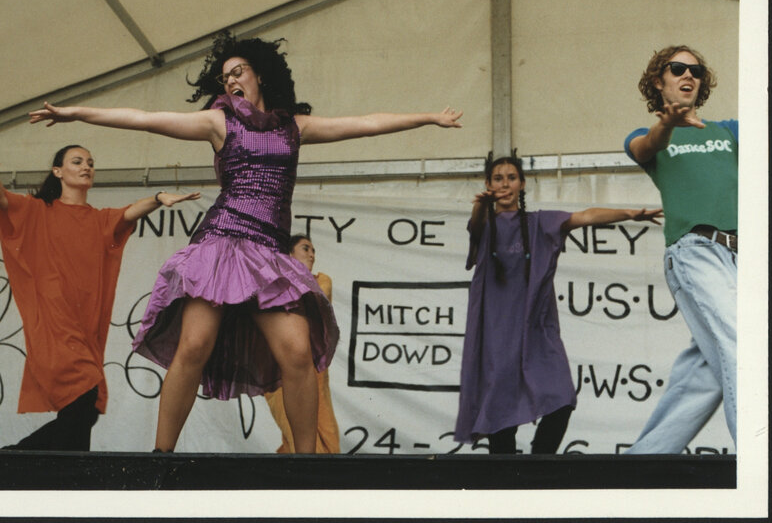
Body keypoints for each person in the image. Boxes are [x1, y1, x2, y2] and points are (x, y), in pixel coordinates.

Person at [28, 30, 463, 453]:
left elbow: (364, 124)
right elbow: (145, 119)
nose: (232, 81)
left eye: (238, 72)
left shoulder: (294, 127)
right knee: (194, 345)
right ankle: (161, 458)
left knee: (297, 352)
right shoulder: (220, 122)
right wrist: (76, 113)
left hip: (269, 254)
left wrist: (427, 117)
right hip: (223, 244)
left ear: (260, 75)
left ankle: (307, 466)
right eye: (225, 78)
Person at [0, 142, 199, 450]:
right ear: (57, 171)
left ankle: (52, 467)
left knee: (84, 409)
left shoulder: (98, 220)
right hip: (54, 323)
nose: (86, 167)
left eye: (90, 162)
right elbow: (0, 198)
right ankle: (12, 458)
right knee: (85, 398)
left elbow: (129, 212)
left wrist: (157, 198)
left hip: (84, 328)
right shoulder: (37, 211)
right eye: (77, 161)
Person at [454, 152, 662, 454]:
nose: (505, 184)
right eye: (498, 179)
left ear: (522, 184)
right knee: (501, 414)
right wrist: (480, 205)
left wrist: (629, 214)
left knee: (561, 399)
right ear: (488, 184)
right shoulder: (485, 225)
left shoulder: (540, 223)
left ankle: (539, 466)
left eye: (511, 178)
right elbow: (475, 225)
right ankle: (507, 476)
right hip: (497, 332)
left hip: (536, 327)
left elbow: (585, 216)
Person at [623, 46, 737, 454]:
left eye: (696, 70)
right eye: (677, 68)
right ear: (659, 81)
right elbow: (646, 146)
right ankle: (761, 459)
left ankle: (643, 463)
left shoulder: (729, 131)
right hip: (697, 249)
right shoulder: (645, 136)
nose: (688, 75)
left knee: (704, 372)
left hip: (743, 256)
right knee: (742, 344)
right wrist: (667, 123)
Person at [263, 234, 341, 453]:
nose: (312, 255)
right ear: (289, 254)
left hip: (314, 373)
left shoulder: (321, 280)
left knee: (328, 439)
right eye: (306, 248)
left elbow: (314, 300)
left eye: (314, 250)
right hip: (279, 371)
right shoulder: (272, 284)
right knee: (298, 439)